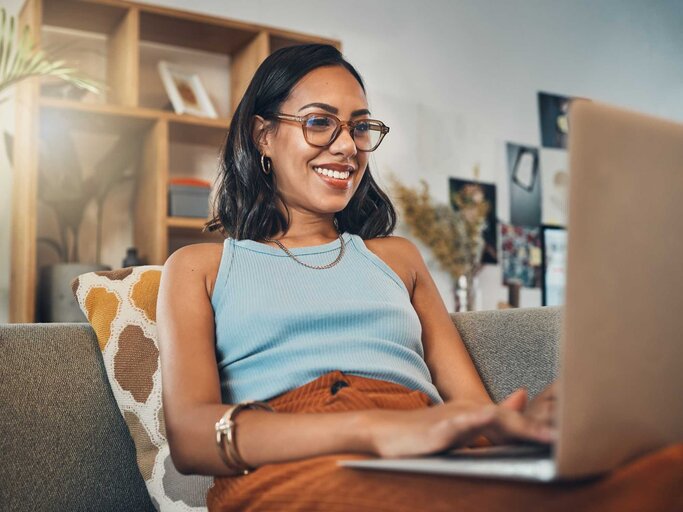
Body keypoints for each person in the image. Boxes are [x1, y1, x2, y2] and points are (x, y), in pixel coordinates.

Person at [157, 45, 678, 512]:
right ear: (263, 135)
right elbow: (193, 438)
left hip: (428, 452)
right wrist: (376, 429)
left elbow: (471, 410)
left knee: (665, 469)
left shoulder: (398, 258)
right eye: (320, 122)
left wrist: (527, 424)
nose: (346, 147)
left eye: (359, 127)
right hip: (292, 464)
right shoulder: (201, 268)